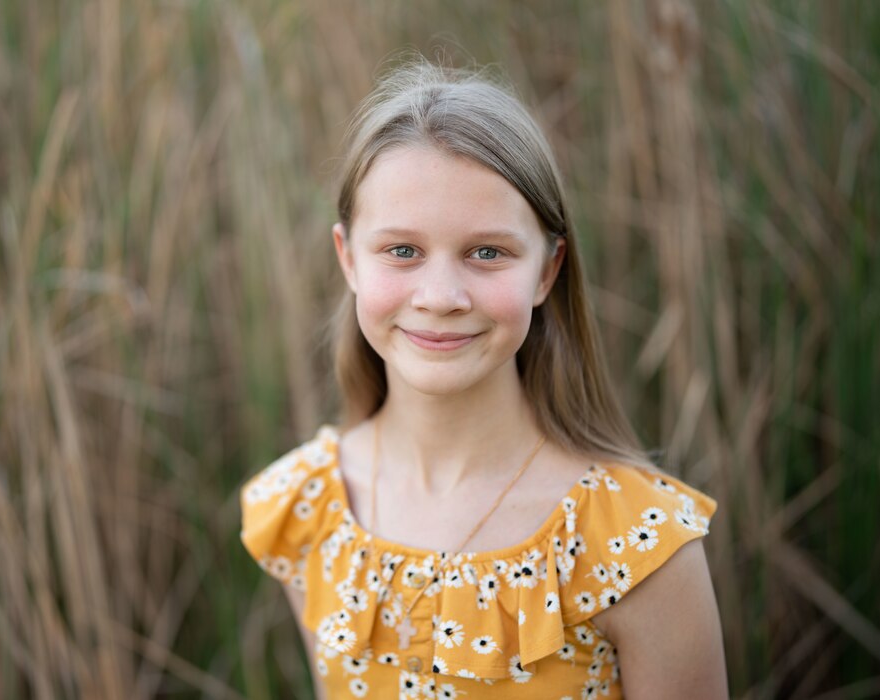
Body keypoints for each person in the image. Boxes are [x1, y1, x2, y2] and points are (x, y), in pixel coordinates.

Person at [240, 58, 727, 699]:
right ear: (348, 258)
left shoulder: (634, 544)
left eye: (487, 252)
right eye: (402, 251)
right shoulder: (309, 509)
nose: (440, 296)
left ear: (547, 273)